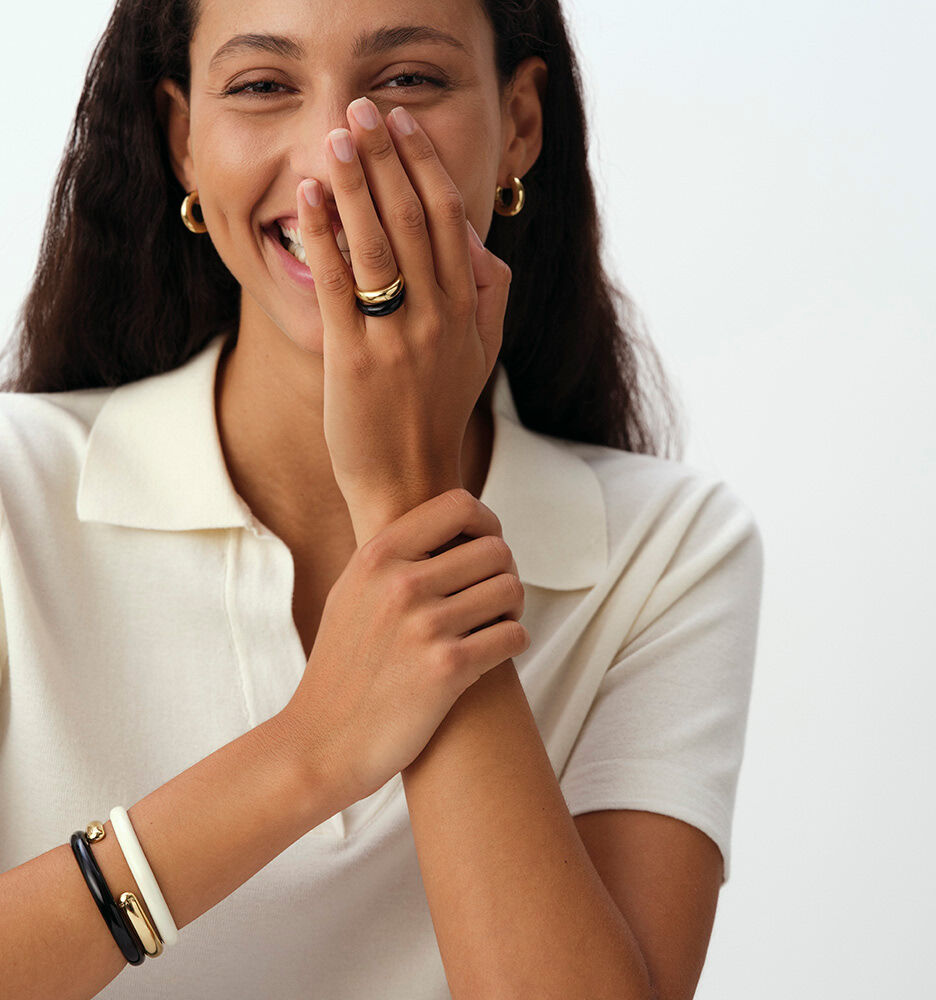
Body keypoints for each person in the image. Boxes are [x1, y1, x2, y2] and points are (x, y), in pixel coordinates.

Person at [0, 0, 764, 997]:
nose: (332, 160)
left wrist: (408, 499)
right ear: (183, 140)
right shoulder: (14, 489)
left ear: (519, 125)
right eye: (263, 85)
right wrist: (311, 752)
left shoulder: (667, 548)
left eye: (407, 80)